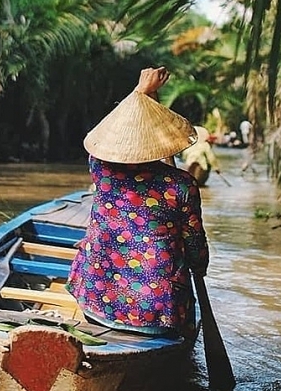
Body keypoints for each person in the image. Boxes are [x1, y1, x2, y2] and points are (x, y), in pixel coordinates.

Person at [66, 67, 210, 337]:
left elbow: (106, 136)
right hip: (156, 312)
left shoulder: (101, 169)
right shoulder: (181, 184)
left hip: (97, 298)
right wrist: (199, 267)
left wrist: (140, 92)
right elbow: (195, 248)